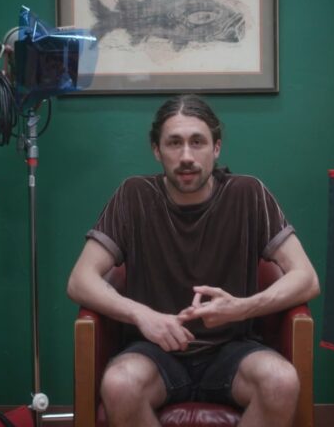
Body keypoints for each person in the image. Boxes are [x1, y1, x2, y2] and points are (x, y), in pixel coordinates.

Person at [67, 94, 320, 427]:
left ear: (216, 148)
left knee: (280, 381)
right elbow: (79, 280)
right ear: (156, 150)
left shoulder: (248, 193)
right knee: (119, 384)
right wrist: (142, 315)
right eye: (174, 143)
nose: (186, 156)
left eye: (197, 142)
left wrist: (243, 307)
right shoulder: (133, 196)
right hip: (155, 351)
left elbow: (306, 278)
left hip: (234, 351)